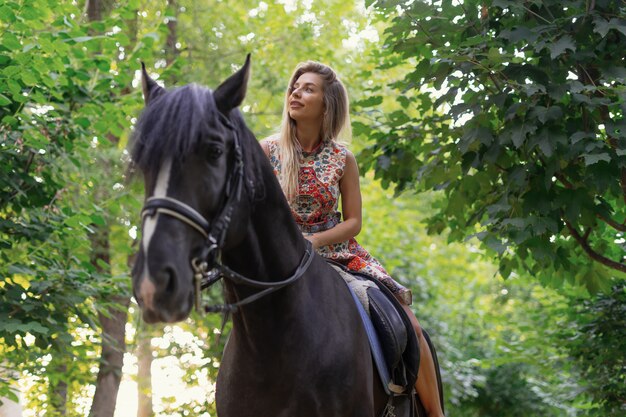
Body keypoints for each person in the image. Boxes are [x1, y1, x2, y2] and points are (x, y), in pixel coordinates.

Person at [260, 61, 445, 417]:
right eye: (294, 87)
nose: (296, 93)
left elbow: (354, 222)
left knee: (411, 324)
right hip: (281, 258)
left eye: (308, 88)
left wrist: (314, 241)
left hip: (338, 254)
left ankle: (434, 413)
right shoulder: (267, 150)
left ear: (326, 104)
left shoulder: (343, 158)